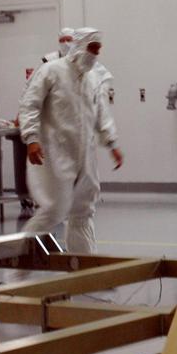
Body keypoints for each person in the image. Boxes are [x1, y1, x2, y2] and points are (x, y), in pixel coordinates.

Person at [18, 27, 123, 253]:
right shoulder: (51, 71)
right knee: (54, 210)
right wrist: (32, 138)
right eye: (92, 49)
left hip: (85, 155)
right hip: (54, 153)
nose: (95, 55)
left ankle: (85, 268)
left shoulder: (93, 78)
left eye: (98, 50)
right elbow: (30, 104)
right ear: (79, 46)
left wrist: (112, 143)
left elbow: (101, 113)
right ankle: (18, 263)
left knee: (83, 211)